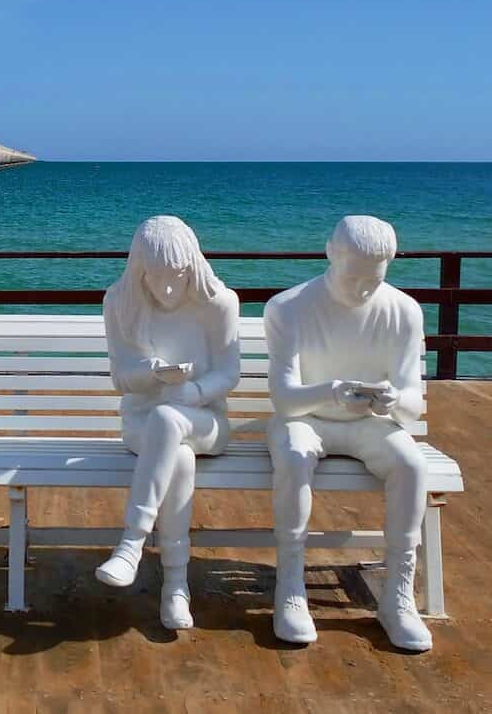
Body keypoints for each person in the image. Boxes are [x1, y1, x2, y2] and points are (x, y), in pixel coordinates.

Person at [265, 215, 432, 651]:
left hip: (369, 424)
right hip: (306, 421)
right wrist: (332, 393)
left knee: (411, 465)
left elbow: (414, 400)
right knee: (295, 455)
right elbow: (284, 400)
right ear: (330, 253)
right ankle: (290, 585)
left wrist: (395, 401)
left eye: (373, 280)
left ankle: (398, 596)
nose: (362, 290)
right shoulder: (289, 308)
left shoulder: (404, 311)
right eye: (353, 276)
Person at [95, 216, 240, 630]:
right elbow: (121, 379)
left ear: (192, 265)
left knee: (170, 418)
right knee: (177, 454)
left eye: (177, 276)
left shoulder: (218, 303)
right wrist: (154, 373)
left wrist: (191, 393)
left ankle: (132, 544)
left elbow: (230, 374)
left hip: (206, 422)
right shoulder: (120, 302)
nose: (169, 288)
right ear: (140, 269)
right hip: (143, 425)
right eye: (157, 277)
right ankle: (176, 585)